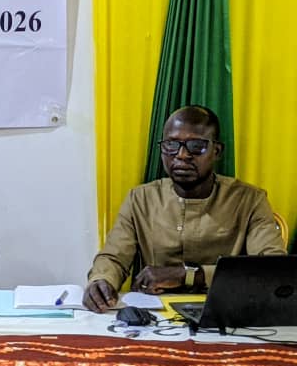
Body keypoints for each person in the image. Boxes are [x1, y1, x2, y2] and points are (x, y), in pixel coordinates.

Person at [83, 105, 286, 312]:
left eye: (196, 146)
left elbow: (274, 269)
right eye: (171, 145)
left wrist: (189, 275)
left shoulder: (249, 200)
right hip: (156, 315)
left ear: (216, 151)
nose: (181, 155)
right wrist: (102, 280)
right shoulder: (140, 199)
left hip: (226, 311)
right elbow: (114, 257)